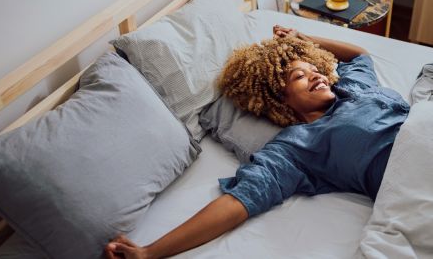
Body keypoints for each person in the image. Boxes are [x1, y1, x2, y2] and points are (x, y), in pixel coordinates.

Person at [105, 25, 410, 259]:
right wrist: (149, 252)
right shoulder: (297, 149)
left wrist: (301, 38)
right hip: (415, 175)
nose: (317, 76)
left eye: (315, 69)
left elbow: (359, 56)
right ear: (280, 98)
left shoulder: (351, 84)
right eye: (299, 77)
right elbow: (238, 203)